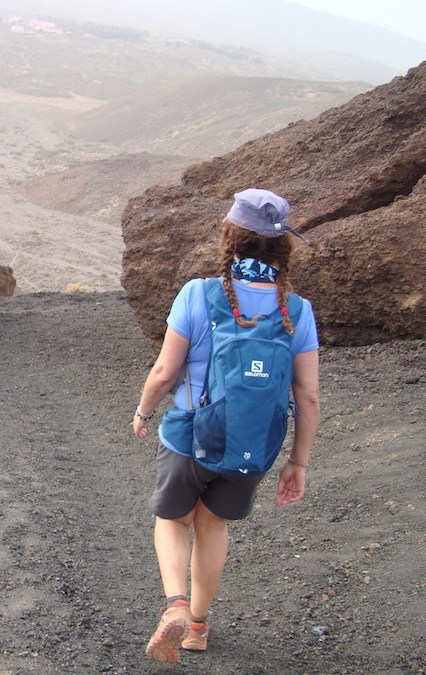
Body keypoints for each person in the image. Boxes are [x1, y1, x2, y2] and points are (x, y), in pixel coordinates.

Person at [131, 188, 320, 663]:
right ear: (282, 248)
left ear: (230, 238)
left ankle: (175, 605)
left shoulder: (199, 294)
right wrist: (298, 461)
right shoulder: (297, 311)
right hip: (253, 444)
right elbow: (308, 396)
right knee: (212, 525)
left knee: (172, 519)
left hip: (189, 437)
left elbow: (164, 372)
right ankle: (196, 627)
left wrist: (143, 411)